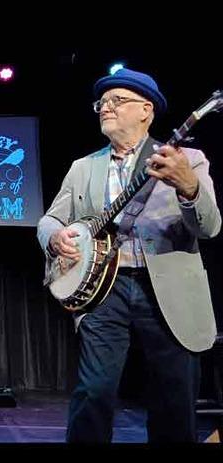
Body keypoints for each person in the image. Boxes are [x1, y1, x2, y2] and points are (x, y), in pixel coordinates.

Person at [37, 68, 221, 442]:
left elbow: (210, 226)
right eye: (102, 103)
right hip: (105, 291)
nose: (106, 107)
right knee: (93, 393)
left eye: (117, 101)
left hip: (168, 288)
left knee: (174, 399)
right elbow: (50, 218)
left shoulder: (188, 159)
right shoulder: (82, 167)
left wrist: (188, 188)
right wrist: (55, 237)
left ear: (146, 110)